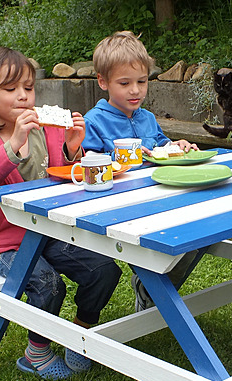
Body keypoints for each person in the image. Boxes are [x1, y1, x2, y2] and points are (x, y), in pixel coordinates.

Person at [0, 46, 122, 380]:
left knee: (103, 270)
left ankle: (79, 333)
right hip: (4, 242)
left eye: (28, 88)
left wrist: (72, 148)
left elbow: (61, 176)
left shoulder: (47, 129)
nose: (23, 97)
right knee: (48, 284)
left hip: (50, 232)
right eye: (9, 89)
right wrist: (11, 144)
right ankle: (36, 351)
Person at [83, 31, 199, 312]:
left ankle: (149, 290)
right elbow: (87, 161)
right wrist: (118, 158)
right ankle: (151, 289)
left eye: (142, 82)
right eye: (125, 83)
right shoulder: (93, 121)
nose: (135, 90)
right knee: (163, 247)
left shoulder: (146, 118)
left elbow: (160, 145)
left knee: (193, 240)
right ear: (103, 82)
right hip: (118, 209)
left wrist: (176, 146)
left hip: (157, 200)